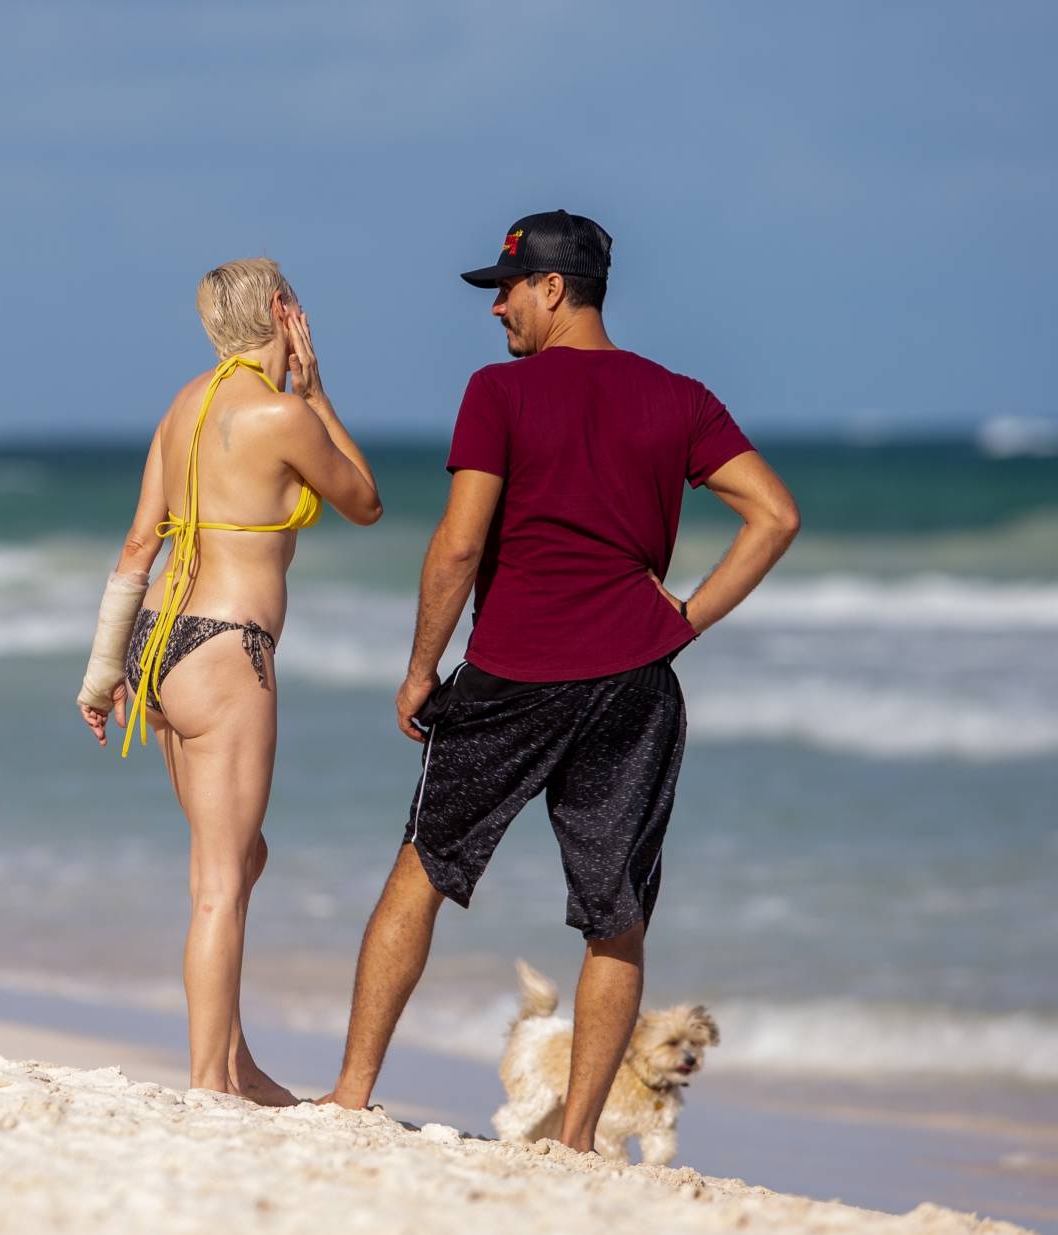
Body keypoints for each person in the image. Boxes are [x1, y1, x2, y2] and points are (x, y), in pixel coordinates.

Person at [322, 211, 799, 1150]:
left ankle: (348, 1094)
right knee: (615, 916)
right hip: (635, 680)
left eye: (506, 288)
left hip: (513, 672)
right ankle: (578, 1138)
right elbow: (774, 515)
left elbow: (459, 543)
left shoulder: (500, 392)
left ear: (552, 288)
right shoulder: (681, 397)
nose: (496, 307)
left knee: (422, 870)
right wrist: (682, 623)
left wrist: (421, 669)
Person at [76, 258, 382, 1105]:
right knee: (220, 883)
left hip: (160, 645)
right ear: (285, 312)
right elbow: (364, 500)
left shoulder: (183, 407)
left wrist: (105, 674)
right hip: (227, 650)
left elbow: (139, 547)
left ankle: (237, 1061)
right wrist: (318, 392)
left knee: (241, 857)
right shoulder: (284, 414)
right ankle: (211, 1083)